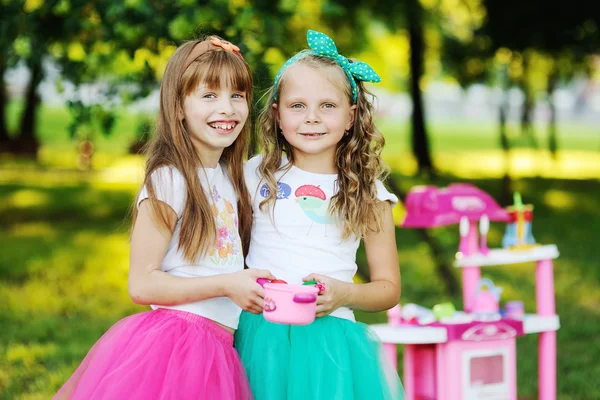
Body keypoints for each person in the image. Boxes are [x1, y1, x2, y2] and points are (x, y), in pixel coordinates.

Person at [55, 36, 274, 400]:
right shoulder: (170, 179)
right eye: (209, 96)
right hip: (177, 348)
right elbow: (142, 285)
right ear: (178, 107)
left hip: (220, 350)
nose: (228, 108)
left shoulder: (230, 180)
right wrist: (227, 284)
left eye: (237, 95)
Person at [234, 30, 404, 399]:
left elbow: (389, 289)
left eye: (327, 105)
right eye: (298, 106)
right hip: (259, 337)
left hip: (332, 343)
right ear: (277, 115)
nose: (312, 118)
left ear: (351, 117)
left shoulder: (367, 190)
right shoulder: (255, 174)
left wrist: (344, 294)